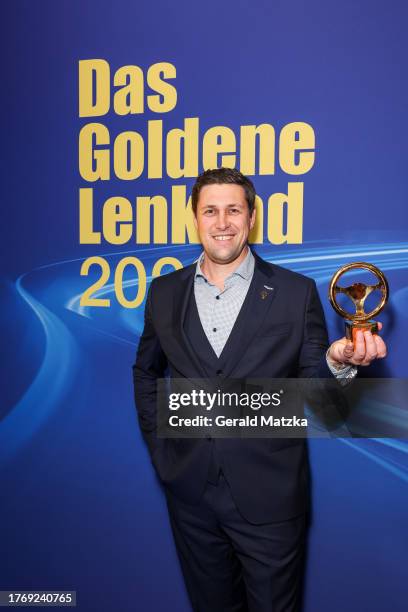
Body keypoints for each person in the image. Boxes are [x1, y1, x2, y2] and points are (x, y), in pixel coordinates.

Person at [132, 168, 387, 612]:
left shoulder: (295, 292)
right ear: (195, 217)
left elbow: (316, 389)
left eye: (234, 210)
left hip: (270, 496)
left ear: (251, 218)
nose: (222, 222)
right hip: (189, 494)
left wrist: (340, 361)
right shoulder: (163, 292)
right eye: (210, 210)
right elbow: (146, 373)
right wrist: (163, 453)